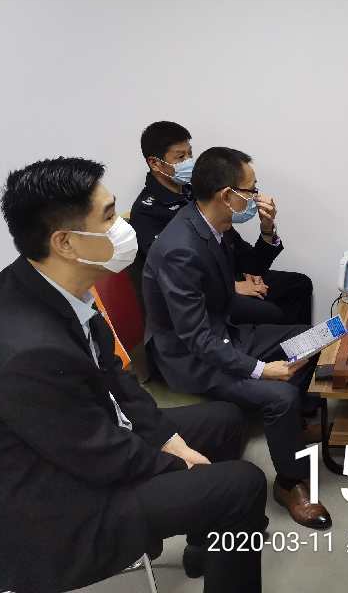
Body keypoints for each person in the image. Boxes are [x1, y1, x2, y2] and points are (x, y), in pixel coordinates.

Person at [0, 157, 266, 593]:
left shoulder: (56, 285)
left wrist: (170, 440)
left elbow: (118, 378)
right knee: (242, 486)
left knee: (226, 420)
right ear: (65, 242)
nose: (123, 227)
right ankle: (215, 513)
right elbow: (98, 455)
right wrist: (177, 463)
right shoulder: (28, 352)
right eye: (108, 216)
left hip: (91, 436)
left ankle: (206, 542)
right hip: (61, 508)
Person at [142, 146, 332, 529]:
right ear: (226, 195)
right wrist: (261, 369)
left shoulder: (215, 224)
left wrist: (267, 230)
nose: (257, 196)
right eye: (251, 189)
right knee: (280, 395)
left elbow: (252, 265)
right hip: (191, 357)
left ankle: (292, 426)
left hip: (222, 334)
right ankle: (290, 483)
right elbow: (196, 339)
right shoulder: (180, 249)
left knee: (313, 338)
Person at [130, 120, 313, 325]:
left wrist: (267, 231)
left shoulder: (197, 192)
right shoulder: (146, 212)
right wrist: (232, 285)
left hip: (231, 276)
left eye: (190, 154)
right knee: (272, 313)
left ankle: (305, 344)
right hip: (206, 294)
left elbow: (245, 256)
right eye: (180, 157)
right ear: (155, 163)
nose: (189, 162)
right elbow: (175, 276)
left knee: (299, 285)